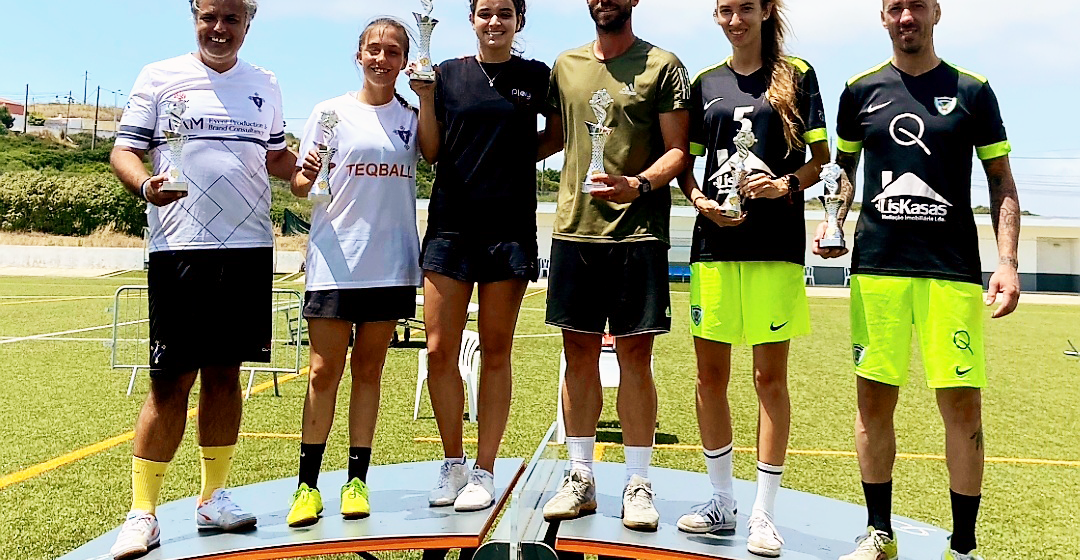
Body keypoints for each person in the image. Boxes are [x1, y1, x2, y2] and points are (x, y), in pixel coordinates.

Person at [817, 2, 1020, 559]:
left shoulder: (974, 91)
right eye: (894, 7)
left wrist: (1006, 262)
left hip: (950, 273)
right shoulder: (859, 92)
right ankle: (879, 534)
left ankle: (963, 547)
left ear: (936, 13)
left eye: (916, 5)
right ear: (882, 17)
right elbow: (843, 174)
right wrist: (830, 221)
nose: (906, 16)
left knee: (962, 410)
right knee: (872, 405)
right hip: (877, 270)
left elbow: (1001, 180)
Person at [107, 0, 297, 557]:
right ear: (195, 16)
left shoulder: (265, 83)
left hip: (248, 248)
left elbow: (277, 157)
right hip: (179, 248)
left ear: (248, 22)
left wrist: (312, 165)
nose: (219, 29)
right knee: (169, 382)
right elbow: (125, 150)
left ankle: (213, 497)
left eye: (231, 19)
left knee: (225, 375)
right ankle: (143, 511)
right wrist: (145, 186)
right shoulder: (159, 77)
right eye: (209, 16)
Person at [673, 0, 829, 556]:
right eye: (725, 10)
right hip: (713, 245)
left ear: (765, 12)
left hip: (773, 249)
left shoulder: (797, 76)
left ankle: (763, 512)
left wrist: (783, 186)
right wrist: (697, 200)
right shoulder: (705, 81)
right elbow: (686, 161)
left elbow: (821, 161)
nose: (735, 19)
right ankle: (721, 500)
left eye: (744, 9)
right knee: (709, 379)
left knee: (768, 379)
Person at [540, 0, 691, 532]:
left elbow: (678, 151)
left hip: (638, 234)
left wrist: (639, 184)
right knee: (577, 355)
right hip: (574, 231)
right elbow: (553, 140)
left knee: (634, 357)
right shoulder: (565, 65)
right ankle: (580, 477)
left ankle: (638, 483)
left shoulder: (663, 64)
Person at [410, 0, 558, 513]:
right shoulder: (445, 74)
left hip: (509, 231)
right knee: (437, 350)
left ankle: (485, 469)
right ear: (471, 19)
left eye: (504, 13)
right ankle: (452, 462)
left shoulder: (536, 76)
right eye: (485, 12)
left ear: (520, 20)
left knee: (497, 352)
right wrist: (426, 100)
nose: (494, 22)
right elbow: (429, 150)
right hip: (450, 228)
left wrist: (513, 155)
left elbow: (556, 136)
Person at [284, 17, 422, 527]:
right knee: (324, 373)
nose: (382, 59)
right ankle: (307, 487)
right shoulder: (329, 112)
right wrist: (309, 172)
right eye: (373, 49)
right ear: (358, 55)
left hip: (390, 263)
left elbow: (434, 153)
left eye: (392, 51)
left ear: (405, 60)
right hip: (335, 262)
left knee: (370, 373)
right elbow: (300, 185)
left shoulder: (412, 117)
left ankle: (356, 481)